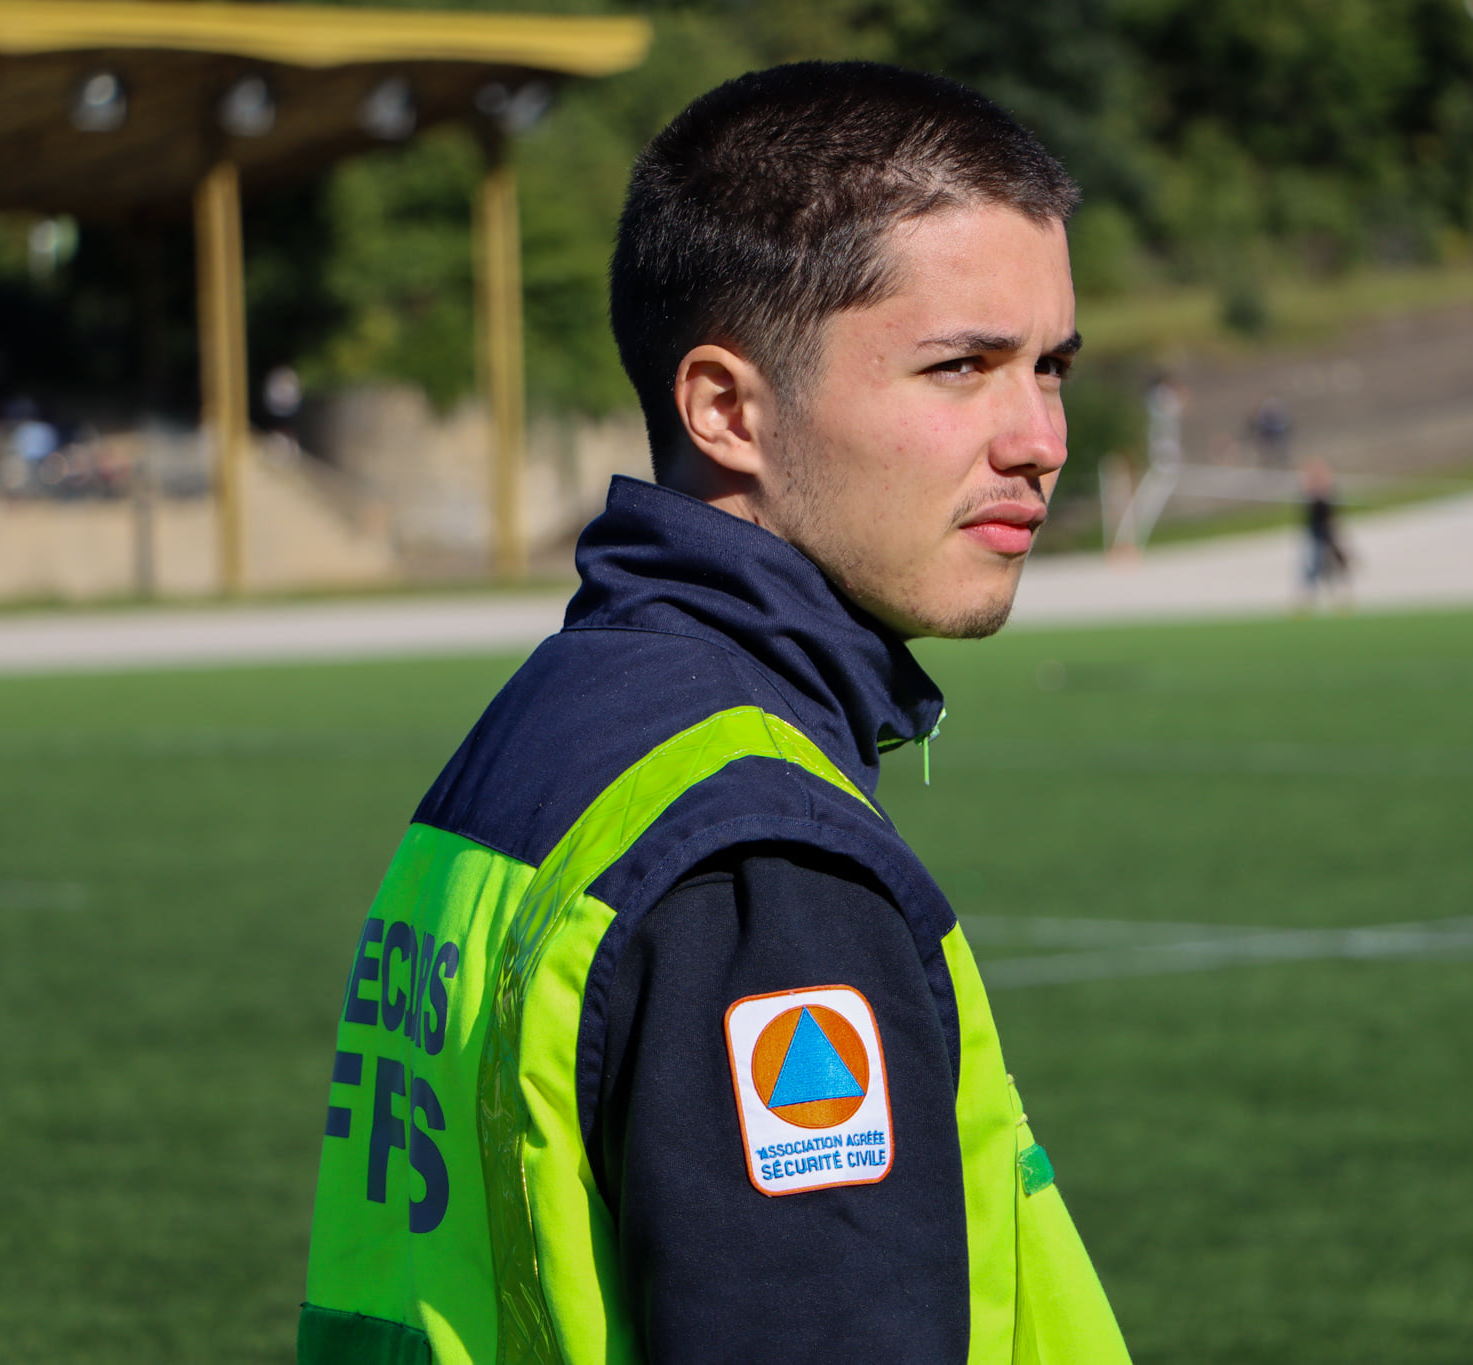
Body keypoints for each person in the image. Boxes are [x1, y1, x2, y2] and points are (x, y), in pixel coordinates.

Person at [298, 63, 1131, 1365]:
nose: (1040, 437)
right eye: (962, 368)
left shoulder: (558, 716)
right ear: (729, 408)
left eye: (1052, 368)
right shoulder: (759, 856)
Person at [1109, 371, 1184, 557]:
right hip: (1164, 453)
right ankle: (1127, 542)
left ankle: (1130, 541)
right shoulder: (1161, 396)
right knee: (1147, 499)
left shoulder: (1155, 399)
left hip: (1165, 451)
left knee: (1150, 497)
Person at [1298, 456, 1352, 611]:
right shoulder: (1310, 493)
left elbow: (1334, 514)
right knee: (1313, 565)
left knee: (1333, 565)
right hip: (1315, 533)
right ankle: (1309, 597)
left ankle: (1338, 596)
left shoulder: (1329, 491)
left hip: (1329, 533)